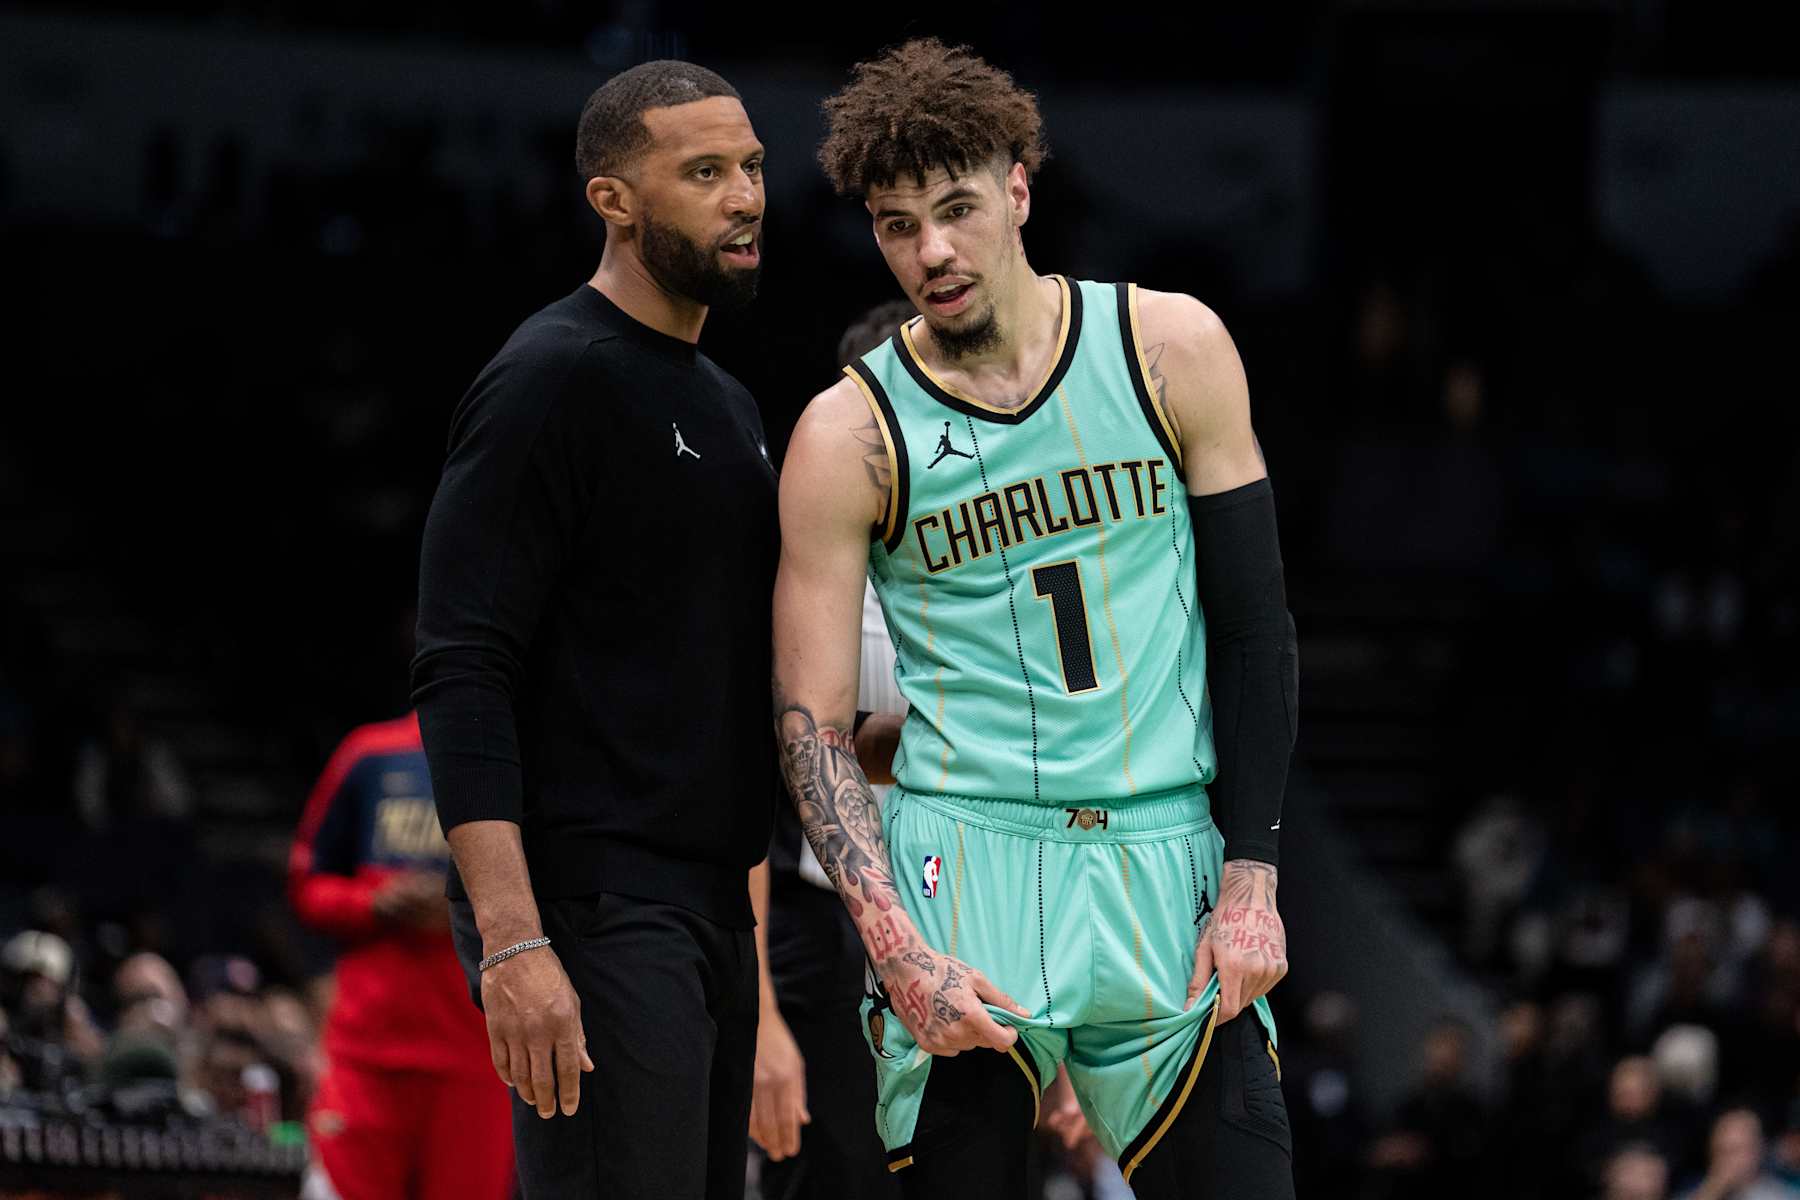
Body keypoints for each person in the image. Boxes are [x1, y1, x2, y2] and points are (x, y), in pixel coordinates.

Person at [772, 37, 1299, 1200]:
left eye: (956, 209)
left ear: (1019, 190)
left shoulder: (1170, 347)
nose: (932, 250)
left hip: (1164, 860)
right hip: (964, 873)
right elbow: (814, 728)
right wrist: (894, 948)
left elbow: (1255, 629)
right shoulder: (846, 435)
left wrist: (1253, 873)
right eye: (898, 225)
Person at [411, 59, 776, 1200]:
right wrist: (514, 942)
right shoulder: (549, 375)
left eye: (752, 166)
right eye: (704, 173)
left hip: (711, 905)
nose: (745, 197)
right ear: (612, 200)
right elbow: (461, 666)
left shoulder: (729, 404)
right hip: (594, 906)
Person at [749, 301, 914, 1200]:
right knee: (832, 1174)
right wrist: (763, 1017)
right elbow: (745, 795)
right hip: (825, 922)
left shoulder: (998, 567)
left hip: (976, 905)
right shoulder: (799, 570)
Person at [288, 711, 512, 1200]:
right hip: (367, 1053)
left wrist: (471, 910)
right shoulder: (370, 753)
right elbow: (307, 883)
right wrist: (374, 904)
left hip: (478, 1061)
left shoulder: (520, 759)